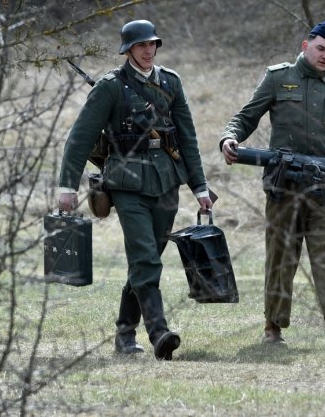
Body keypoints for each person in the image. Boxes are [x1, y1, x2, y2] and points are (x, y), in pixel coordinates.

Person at [57, 19, 213, 360]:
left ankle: (125, 331)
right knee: (144, 257)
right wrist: (67, 185)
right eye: (141, 45)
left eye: (152, 43)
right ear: (128, 49)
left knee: (148, 259)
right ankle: (159, 331)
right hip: (126, 182)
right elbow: (81, 137)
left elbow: (187, 137)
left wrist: (199, 186)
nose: (148, 50)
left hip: (166, 181)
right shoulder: (111, 87)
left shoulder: (171, 82)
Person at [220, 20, 325, 350]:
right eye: (320, 49)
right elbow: (245, 117)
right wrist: (229, 137)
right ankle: (273, 327)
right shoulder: (278, 77)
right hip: (284, 186)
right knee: (282, 255)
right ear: (306, 45)